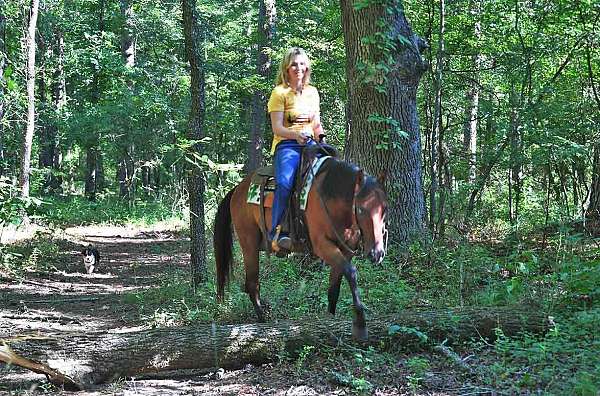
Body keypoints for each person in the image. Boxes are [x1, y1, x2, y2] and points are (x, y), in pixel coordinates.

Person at [267, 47, 324, 252]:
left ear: (307, 66)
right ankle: (276, 232)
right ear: (286, 68)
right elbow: (277, 128)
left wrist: (321, 138)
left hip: (310, 144)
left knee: (330, 176)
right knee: (284, 183)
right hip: (287, 145)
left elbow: (316, 125)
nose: (298, 68)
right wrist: (296, 135)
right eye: (293, 64)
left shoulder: (312, 92)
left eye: (301, 63)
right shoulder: (279, 92)